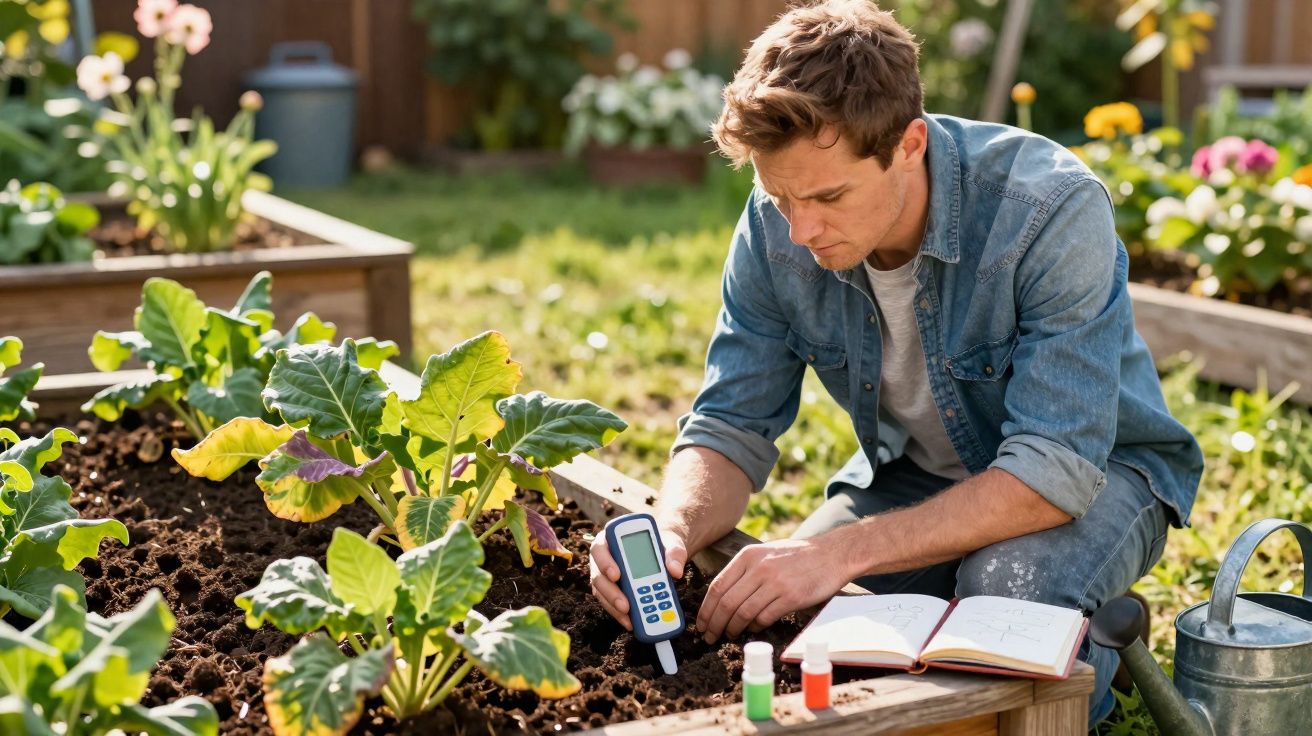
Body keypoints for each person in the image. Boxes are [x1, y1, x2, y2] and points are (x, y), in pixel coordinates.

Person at [588, 0, 1203, 726]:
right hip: (916, 477)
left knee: (1002, 596)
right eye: (779, 195)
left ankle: (1100, 650)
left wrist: (844, 553)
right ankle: (1031, 619)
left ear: (909, 144)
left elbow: (1054, 469)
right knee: (793, 624)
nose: (801, 229)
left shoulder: (1049, 209)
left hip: (1100, 475)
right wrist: (673, 528)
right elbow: (730, 421)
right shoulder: (775, 223)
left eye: (829, 196)